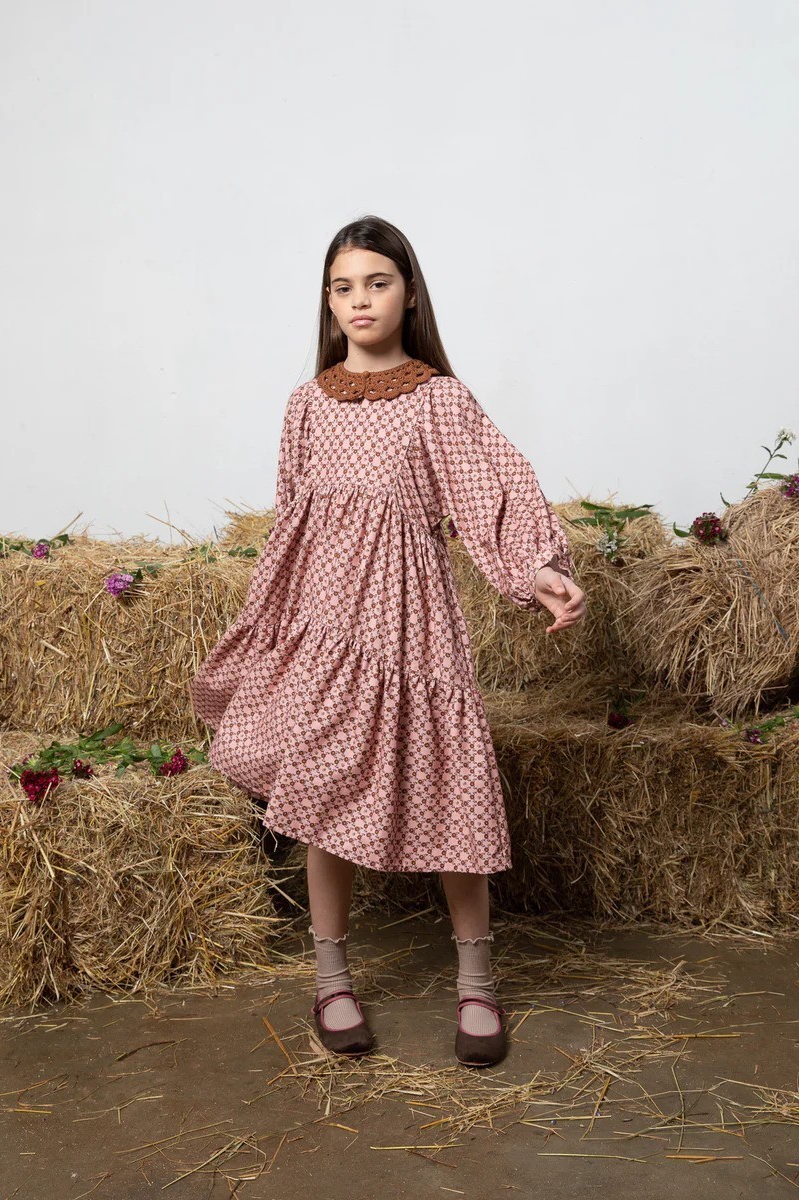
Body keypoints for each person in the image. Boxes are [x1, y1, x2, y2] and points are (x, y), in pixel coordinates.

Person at [189, 214, 587, 1068]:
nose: (360, 300)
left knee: (450, 786)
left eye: (377, 282)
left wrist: (537, 570)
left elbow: (493, 492)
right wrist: (274, 623)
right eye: (343, 287)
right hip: (326, 628)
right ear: (328, 304)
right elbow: (291, 520)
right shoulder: (306, 405)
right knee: (321, 785)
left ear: (409, 293)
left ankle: (476, 983)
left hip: (412, 627)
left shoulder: (439, 399)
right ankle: (331, 978)